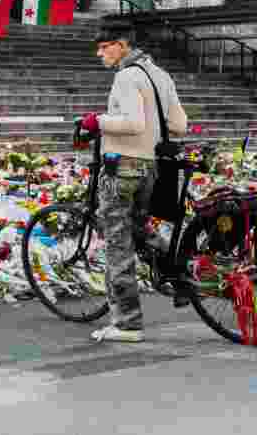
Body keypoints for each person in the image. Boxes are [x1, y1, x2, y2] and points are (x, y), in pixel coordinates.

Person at [80, 24, 188, 343]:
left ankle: (127, 323)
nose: (99, 54)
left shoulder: (127, 76)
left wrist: (96, 121)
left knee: (118, 243)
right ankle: (181, 275)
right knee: (140, 231)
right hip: (151, 168)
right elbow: (180, 125)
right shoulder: (160, 74)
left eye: (104, 47)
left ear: (123, 45)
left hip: (122, 168)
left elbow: (133, 122)